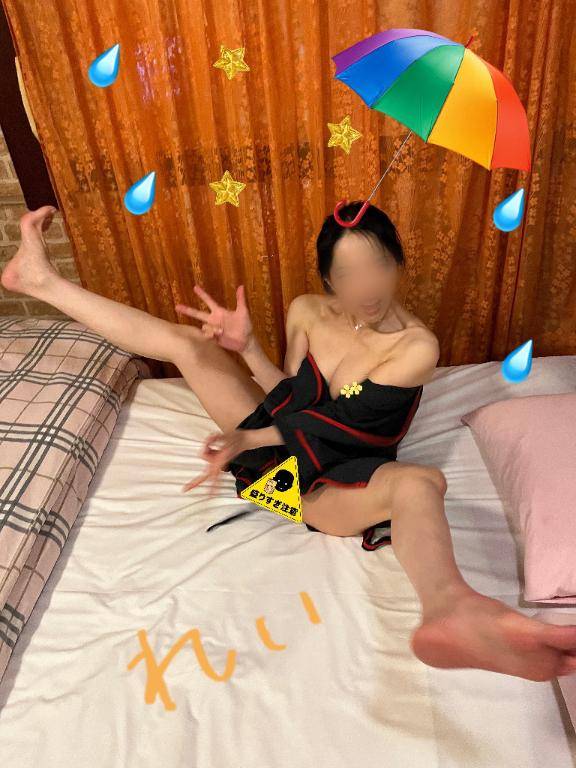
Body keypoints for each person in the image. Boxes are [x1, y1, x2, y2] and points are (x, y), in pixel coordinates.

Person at [3, 201, 576, 683]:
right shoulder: (307, 310)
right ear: (329, 279)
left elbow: (336, 425)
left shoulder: (415, 348)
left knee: (421, 482)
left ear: (398, 263)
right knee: (189, 345)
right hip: (274, 462)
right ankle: (41, 281)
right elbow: (290, 395)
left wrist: (246, 436)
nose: (366, 288)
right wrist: (249, 349)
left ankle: (453, 610)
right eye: (348, 274)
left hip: (327, 481)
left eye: (378, 266)